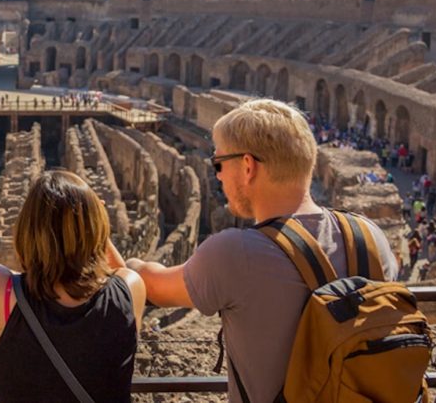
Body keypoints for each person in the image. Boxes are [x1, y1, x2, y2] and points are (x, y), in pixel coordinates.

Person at [126, 99, 397, 402]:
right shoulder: (371, 238)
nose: (217, 175)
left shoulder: (234, 252)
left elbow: (153, 286)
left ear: (247, 166)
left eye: (218, 164)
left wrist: (124, 262)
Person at [0, 170, 145, 402]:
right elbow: (117, 273)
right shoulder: (132, 288)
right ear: (96, 230)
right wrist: (94, 219)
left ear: (26, 230)